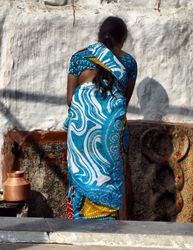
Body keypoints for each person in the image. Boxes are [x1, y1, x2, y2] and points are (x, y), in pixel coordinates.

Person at [63, 16, 137, 220]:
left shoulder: (78, 58)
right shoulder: (128, 63)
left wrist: (89, 113)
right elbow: (123, 101)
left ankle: (78, 221)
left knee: (80, 177)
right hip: (111, 130)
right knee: (110, 179)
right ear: (123, 39)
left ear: (99, 35)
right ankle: (110, 227)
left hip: (80, 131)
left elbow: (70, 100)